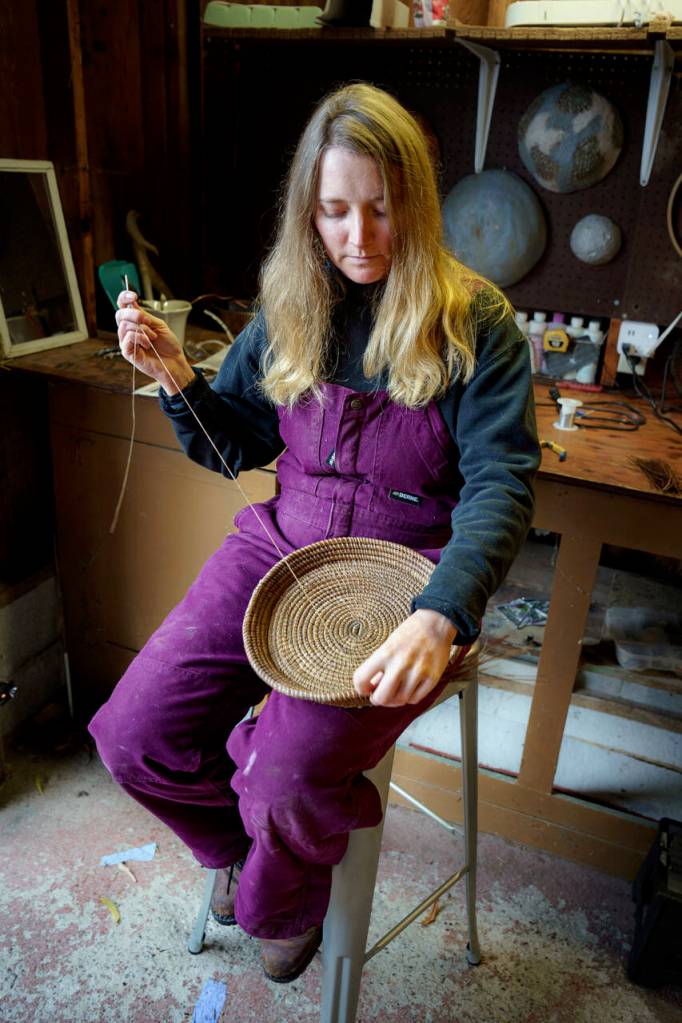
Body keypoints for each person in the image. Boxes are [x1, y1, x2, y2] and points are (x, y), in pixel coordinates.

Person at [89, 83, 540, 984]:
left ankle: (276, 901)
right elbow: (239, 445)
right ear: (309, 211)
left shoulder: (475, 321)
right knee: (132, 734)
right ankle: (253, 856)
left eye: (381, 208)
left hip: (403, 577)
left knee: (286, 778)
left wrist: (443, 611)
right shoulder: (293, 300)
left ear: (415, 199)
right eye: (335, 212)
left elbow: (502, 479)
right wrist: (181, 377)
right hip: (280, 548)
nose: (360, 237)